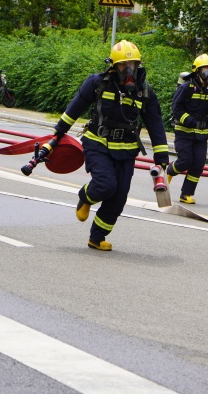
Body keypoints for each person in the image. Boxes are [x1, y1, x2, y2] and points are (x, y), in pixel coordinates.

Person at [50, 40, 169, 251]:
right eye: (124, 65)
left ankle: (96, 237)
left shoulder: (144, 91)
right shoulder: (97, 83)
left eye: (133, 65)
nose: (129, 70)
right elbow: (75, 107)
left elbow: (155, 123)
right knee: (105, 185)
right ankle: (85, 197)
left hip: (126, 148)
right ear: (113, 66)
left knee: (119, 197)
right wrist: (58, 134)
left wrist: (162, 157)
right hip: (98, 142)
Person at [166, 54, 208, 204]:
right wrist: (188, 120)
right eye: (205, 70)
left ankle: (186, 194)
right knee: (185, 161)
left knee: (198, 164)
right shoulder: (187, 88)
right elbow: (176, 108)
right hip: (185, 133)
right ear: (197, 72)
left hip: (202, 135)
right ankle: (170, 170)